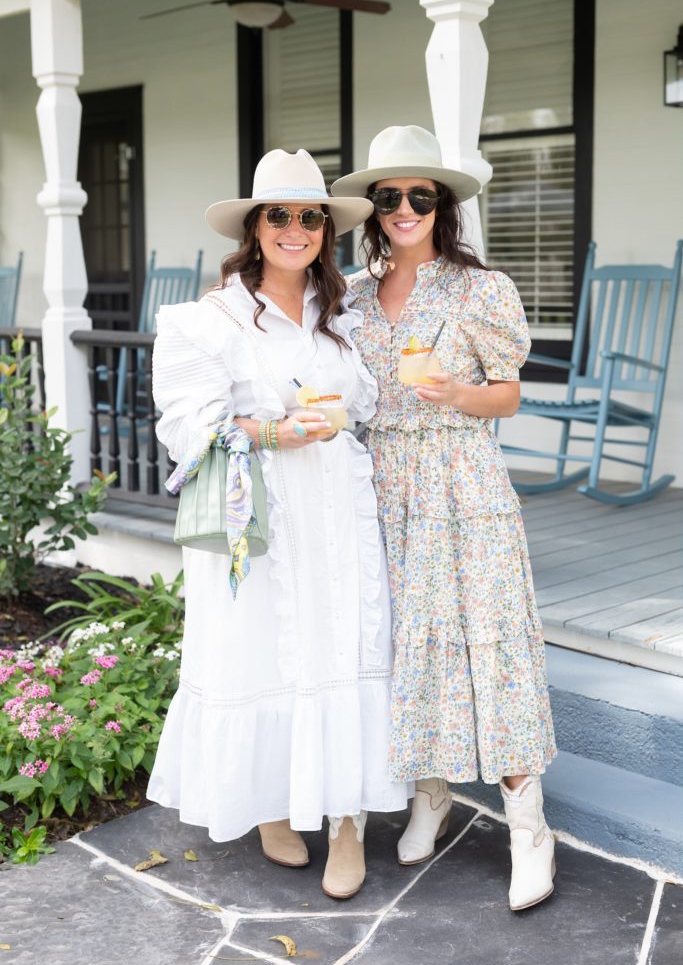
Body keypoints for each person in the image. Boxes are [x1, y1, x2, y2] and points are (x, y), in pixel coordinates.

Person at [148, 148, 409, 900]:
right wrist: (271, 433)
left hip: (335, 506)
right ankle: (270, 805)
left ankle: (348, 822)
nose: (294, 229)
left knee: (346, 647)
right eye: (279, 216)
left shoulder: (342, 315)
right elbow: (183, 431)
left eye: (309, 217)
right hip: (256, 515)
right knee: (266, 650)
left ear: (324, 229)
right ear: (254, 228)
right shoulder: (207, 320)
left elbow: (361, 408)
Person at [331, 125, 557, 911]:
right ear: (372, 210)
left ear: (441, 204)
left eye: (417, 195)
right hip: (381, 482)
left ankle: (528, 826)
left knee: (490, 640)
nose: (401, 208)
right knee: (404, 641)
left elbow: (508, 393)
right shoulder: (352, 297)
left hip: (461, 477)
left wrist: (458, 396)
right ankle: (431, 791)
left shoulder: (479, 289)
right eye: (387, 196)